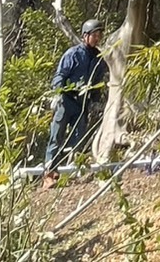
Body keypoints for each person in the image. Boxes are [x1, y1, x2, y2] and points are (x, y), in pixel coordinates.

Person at [42, 18, 110, 187]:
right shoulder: (72, 54)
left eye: (99, 35)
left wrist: (95, 101)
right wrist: (58, 93)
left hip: (82, 104)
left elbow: (98, 82)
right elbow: (59, 76)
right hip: (66, 101)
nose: (97, 38)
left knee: (79, 138)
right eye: (94, 35)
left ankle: (74, 172)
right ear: (85, 36)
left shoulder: (99, 58)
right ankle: (49, 174)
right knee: (56, 136)